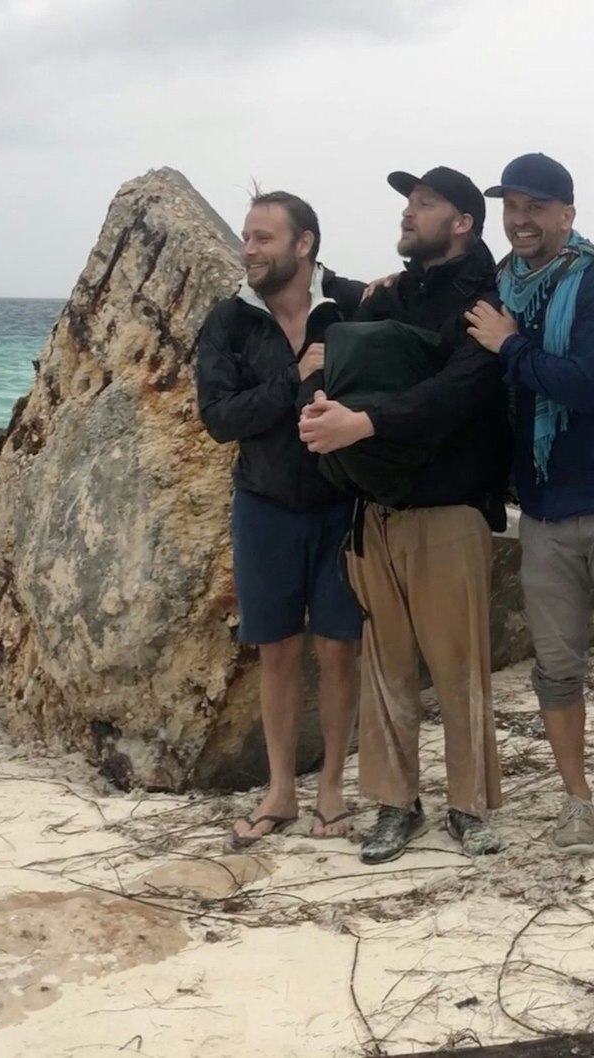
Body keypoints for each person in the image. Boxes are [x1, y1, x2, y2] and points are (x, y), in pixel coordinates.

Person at [299, 165, 511, 865]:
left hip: (449, 509)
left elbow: (463, 390)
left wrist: (363, 424)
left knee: (459, 669)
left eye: (424, 205)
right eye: (408, 203)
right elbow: (335, 329)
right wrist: (320, 370)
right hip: (377, 511)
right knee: (385, 670)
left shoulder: (485, 298)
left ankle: (471, 807)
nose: (408, 214)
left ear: (462, 223)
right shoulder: (399, 290)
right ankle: (396, 806)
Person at [463, 153, 594, 861]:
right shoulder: (501, 287)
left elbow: (580, 386)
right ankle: (577, 801)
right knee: (555, 667)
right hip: (545, 512)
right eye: (510, 207)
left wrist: (510, 344)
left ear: (568, 214)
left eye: (536, 207)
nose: (520, 220)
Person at [195, 189, 366, 847]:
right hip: (263, 507)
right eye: (246, 236)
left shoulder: (345, 309)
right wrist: (293, 378)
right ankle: (280, 791)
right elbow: (218, 418)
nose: (250, 249)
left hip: (340, 506)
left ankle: (330, 790)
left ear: (304, 244)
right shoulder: (230, 321)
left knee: (338, 649)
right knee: (277, 652)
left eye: (264, 237)